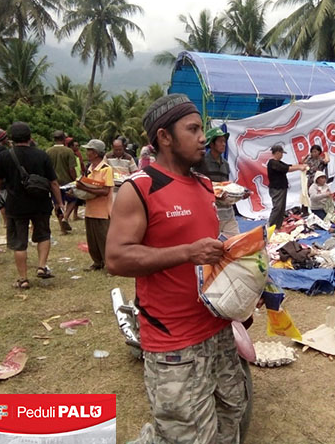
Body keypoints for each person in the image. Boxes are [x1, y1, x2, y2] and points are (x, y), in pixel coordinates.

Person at [105, 94, 247, 444]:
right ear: (164, 137)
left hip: (218, 329)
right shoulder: (140, 189)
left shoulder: (202, 185)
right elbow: (117, 259)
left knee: (232, 414)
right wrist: (186, 253)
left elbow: (208, 252)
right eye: (193, 129)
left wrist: (243, 287)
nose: (203, 137)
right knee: (185, 434)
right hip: (173, 343)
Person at [0, 122, 64, 289]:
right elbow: (53, 183)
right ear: (30, 137)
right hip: (41, 203)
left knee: (19, 242)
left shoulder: (5, 156)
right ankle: (42, 266)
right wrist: (59, 203)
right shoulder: (42, 155)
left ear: (11, 139)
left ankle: (23, 278)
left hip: (16, 206)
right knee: (43, 235)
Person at [195, 126, 241, 237]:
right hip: (209, 213)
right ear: (211, 144)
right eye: (220, 141)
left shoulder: (225, 164)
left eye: (224, 141)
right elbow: (195, 186)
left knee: (236, 243)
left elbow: (225, 186)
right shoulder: (200, 163)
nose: (224, 144)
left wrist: (239, 195)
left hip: (227, 212)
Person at [76, 139, 114, 271]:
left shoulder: (106, 169)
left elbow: (105, 191)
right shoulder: (89, 168)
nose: (86, 153)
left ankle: (110, 264)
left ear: (96, 153)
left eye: (89, 150)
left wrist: (84, 188)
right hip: (90, 209)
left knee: (104, 239)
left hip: (103, 211)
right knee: (92, 239)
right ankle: (97, 262)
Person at [267, 144, 307, 229]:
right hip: (276, 188)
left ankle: (277, 226)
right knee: (277, 208)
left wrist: (300, 165)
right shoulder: (272, 163)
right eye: (281, 153)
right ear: (277, 153)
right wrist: (299, 168)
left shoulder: (278, 162)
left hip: (282, 187)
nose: (282, 155)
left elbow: (289, 166)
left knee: (281, 208)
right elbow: (286, 169)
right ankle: (270, 226)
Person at [46, 130, 77, 233]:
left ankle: (62, 228)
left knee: (57, 204)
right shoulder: (68, 151)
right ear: (64, 139)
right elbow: (71, 168)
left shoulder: (48, 151)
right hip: (67, 181)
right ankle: (66, 217)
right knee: (73, 199)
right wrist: (75, 179)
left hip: (54, 182)